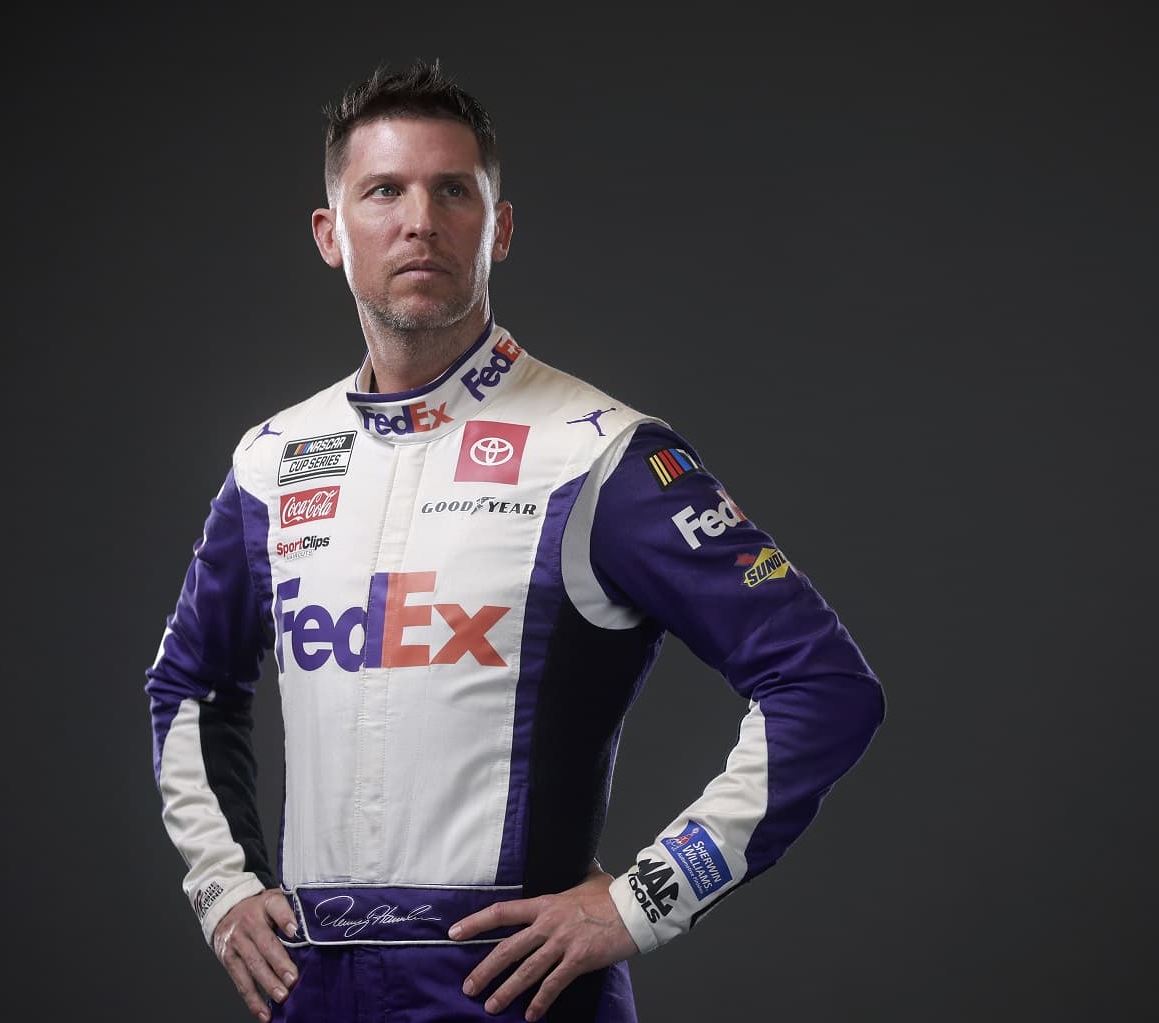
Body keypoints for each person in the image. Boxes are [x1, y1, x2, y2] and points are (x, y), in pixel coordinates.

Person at [145, 58, 886, 1023]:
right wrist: (223, 885)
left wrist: (641, 902)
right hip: (315, 985)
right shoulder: (274, 460)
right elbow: (189, 685)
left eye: (454, 190)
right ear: (333, 235)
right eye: (385, 190)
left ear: (498, 227)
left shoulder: (598, 451)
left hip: (515, 991)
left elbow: (825, 686)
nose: (421, 219)